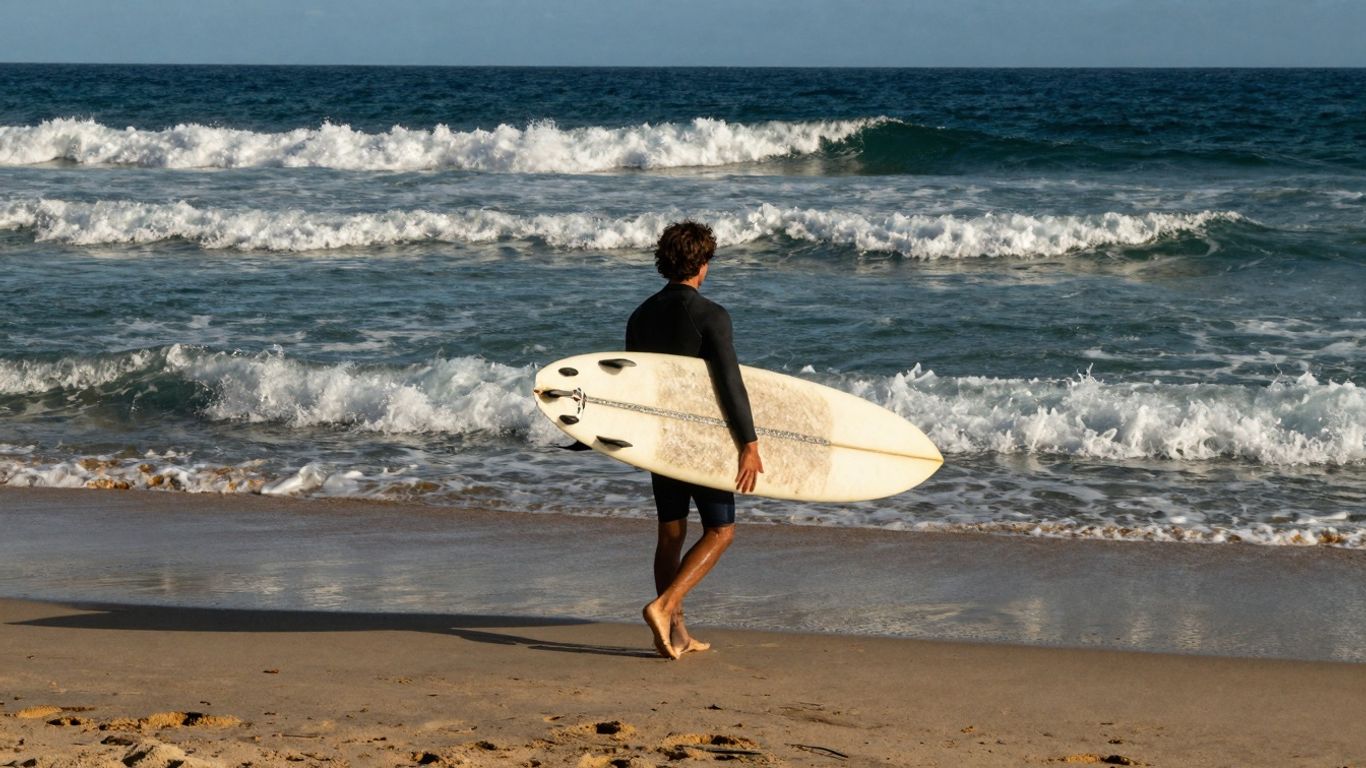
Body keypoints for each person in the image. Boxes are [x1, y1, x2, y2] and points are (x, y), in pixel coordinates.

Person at [626, 220, 763, 660]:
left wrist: (630, 440)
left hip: (661, 440)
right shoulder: (711, 315)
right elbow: (729, 384)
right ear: (703, 264)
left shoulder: (640, 316)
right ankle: (664, 606)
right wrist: (750, 443)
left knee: (670, 534)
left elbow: (633, 386)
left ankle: (676, 633)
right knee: (721, 531)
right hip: (702, 442)